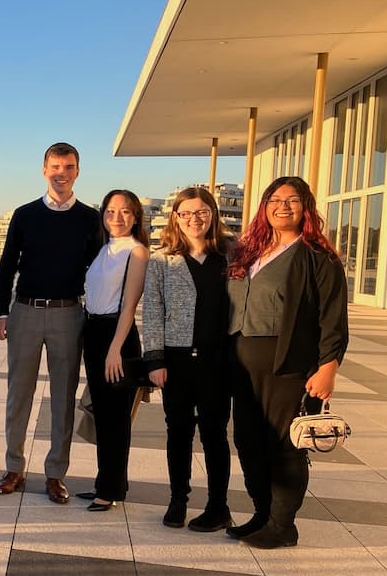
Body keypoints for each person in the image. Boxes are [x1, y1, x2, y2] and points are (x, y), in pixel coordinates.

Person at [225, 176, 348, 549]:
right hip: (243, 363)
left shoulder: (317, 257)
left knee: (284, 443)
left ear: (305, 207)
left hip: (287, 362)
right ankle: (262, 513)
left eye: (292, 200)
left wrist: (329, 367)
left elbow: (333, 316)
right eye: (275, 199)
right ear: (264, 207)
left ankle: (283, 524)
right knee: (247, 439)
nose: (283, 206)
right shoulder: (250, 251)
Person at [0, 142, 101, 504]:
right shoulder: (24, 215)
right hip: (24, 311)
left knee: (63, 399)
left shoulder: (90, 218)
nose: (61, 173)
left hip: (68, 313)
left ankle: (56, 473)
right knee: (18, 393)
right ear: (44, 170)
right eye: (55, 166)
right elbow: (7, 264)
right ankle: (14, 467)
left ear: (77, 172)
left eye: (68, 167)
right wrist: (2, 311)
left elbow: (97, 269)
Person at [141, 187, 234, 531]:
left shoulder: (231, 255)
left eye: (202, 212)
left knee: (215, 434)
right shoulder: (162, 259)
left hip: (217, 360)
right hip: (176, 361)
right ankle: (178, 499)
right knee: (177, 432)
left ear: (212, 215)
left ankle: (218, 506)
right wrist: (154, 360)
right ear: (176, 218)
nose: (194, 219)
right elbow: (152, 310)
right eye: (187, 213)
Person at [78, 190, 148, 512]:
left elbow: (129, 307)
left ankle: (111, 489)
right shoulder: (104, 249)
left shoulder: (136, 252)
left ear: (135, 217)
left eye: (125, 212)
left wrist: (115, 350)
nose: (117, 218)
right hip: (93, 331)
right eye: (110, 211)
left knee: (116, 418)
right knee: (103, 415)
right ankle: (102, 482)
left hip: (116, 337)